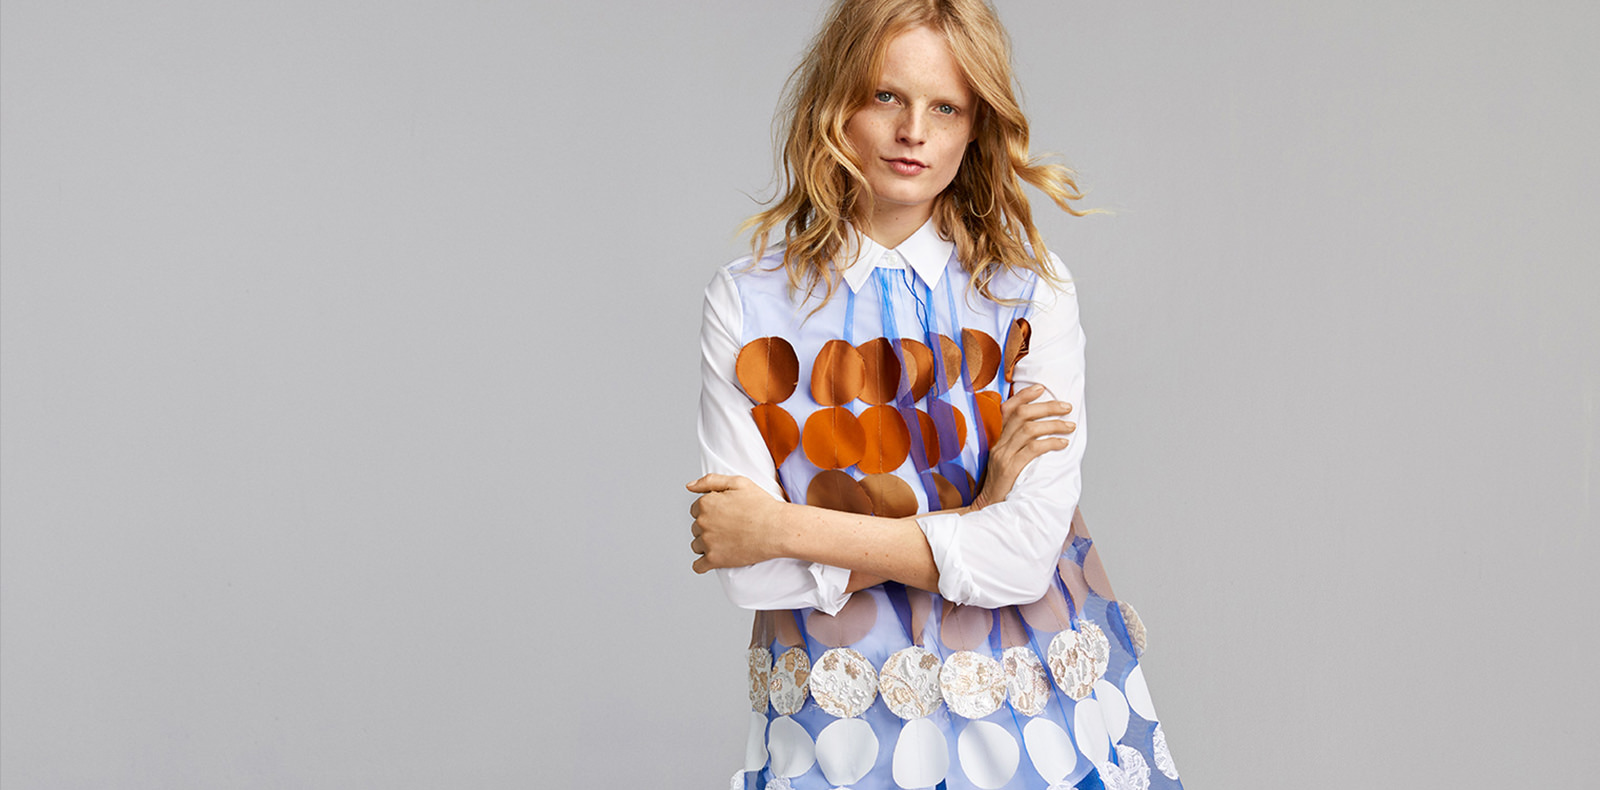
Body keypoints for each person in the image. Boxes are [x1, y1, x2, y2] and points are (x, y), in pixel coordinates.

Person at [688, 1, 1183, 787]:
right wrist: (976, 512)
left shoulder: (1028, 294)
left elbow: (1022, 559)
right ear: (836, 102)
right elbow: (752, 575)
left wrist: (782, 526)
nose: (912, 131)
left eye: (945, 107)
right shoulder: (749, 305)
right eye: (886, 95)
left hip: (1027, 723)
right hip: (837, 733)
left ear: (976, 124)